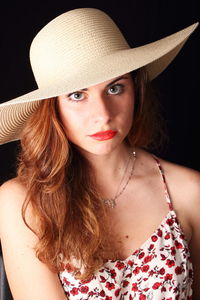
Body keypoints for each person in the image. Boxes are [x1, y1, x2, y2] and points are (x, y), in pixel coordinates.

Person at [0, 7, 199, 300]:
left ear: (136, 91)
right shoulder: (23, 201)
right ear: (52, 108)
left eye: (115, 88)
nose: (103, 115)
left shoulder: (190, 191)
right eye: (77, 95)